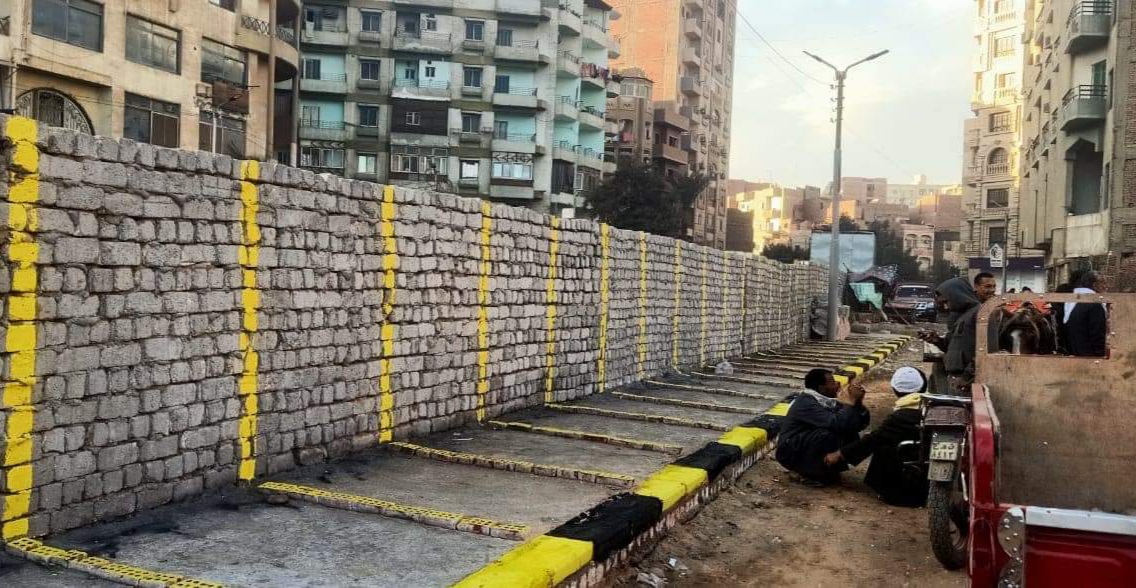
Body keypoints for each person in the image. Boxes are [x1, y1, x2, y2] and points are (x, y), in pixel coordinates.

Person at [825, 367, 929, 507]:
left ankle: (886, 488)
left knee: (882, 443)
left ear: (895, 389)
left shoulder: (901, 416)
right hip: (929, 485)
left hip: (907, 494)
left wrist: (839, 454)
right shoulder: (929, 408)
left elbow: (872, 440)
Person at [775, 369, 870, 486]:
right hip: (789, 452)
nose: (837, 385)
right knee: (827, 434)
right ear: (821, 388)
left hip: (802, 444)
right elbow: (837, 423)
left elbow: (861, 423)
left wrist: (858, 403)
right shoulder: (806, 403)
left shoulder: (825, 400)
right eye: (833, 382)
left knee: (849, 431)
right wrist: (850, 402)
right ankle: (810, 474)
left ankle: (826, 470)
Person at [1065, 271, 1108, 357]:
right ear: (1095, 285)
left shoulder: (1074, 303)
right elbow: (1097, 334)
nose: (1106, 286)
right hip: (1091, 356)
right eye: (1103, 283)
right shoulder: (1094, 305)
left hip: (1077, 353)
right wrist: (1101, 356)